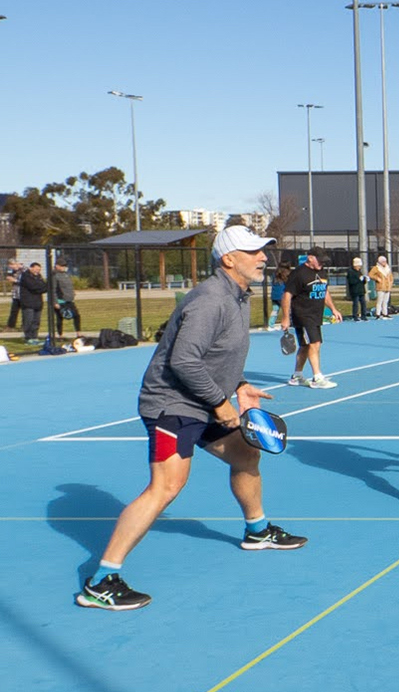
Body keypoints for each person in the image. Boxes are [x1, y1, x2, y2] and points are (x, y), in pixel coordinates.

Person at [77, 226, 305, 611]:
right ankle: (100, 581)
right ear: (229, 259)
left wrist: (242, 385)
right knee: (166, 486)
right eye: (254, 252)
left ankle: (257, 531)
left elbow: (218, 355)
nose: (264, 257)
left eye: (263, 250)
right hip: (172, 404)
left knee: (246, 455)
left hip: (203, 400)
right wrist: (221, 403)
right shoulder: (211, 300)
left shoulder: (239, 297)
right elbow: (184, 359)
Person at [280, 250, 343, 388]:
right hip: (303, 315)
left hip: (316, 315)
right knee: (315, 343)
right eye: (319, 260)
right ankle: (317, 378)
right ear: (310, 258)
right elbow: (287, 295)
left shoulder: (322, 272)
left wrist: (333, 309)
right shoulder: (298, 274)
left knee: (305, 346)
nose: (322, 263)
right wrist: (285, 318)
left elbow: (325, 291)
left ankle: (297, 376)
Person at [16, 262, 48, 342]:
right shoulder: (25, 276)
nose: (37, 271)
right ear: (31, 268)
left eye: (39, 270)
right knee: (28, 321)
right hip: (28, 303)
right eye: (36, 269)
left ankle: (34, 337)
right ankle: (28, 338)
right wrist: (40, 287)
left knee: (36, 321)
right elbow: (33, 286)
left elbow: (45, 287)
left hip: (38, 303)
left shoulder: (39, 277)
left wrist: (41, 287)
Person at [50, 262, 80, 337]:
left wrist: (72, 294)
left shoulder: (66, 275)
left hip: (69, 300)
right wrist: (55, 302)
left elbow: (70, 286)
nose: (64, 267)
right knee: (60, 318)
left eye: (65, 266)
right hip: (60, 301)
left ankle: (78, 333)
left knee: (76, 316)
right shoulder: (54, 276)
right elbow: (53, 290)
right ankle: (60, 335)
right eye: (62, 266)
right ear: (57, 266)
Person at [369, 254, 395, 319]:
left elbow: (391, 277)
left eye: (385, 261)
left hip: (387, 287)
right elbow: (370, 274)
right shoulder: (376, 268)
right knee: (380, 301)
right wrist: (377, 278)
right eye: (383, 261)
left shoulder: (387, 268)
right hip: (380, 287)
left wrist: (391, 282)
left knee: (386, 301)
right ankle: (378, 314)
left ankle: (385, 313)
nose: (384, 263)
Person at [346, 257, 370, 321]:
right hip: (355, 291)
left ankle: (363, 316)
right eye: (358, 266)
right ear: (355, 265)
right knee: (356, 304)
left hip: (361, 290)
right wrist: (359, 279)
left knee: (363, 303)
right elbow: (351, 281)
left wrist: (365, 280)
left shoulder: (359, 272)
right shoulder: (350, 272)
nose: (359, 267)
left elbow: (362, 282)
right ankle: (355, 316)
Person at [268, 264, 290, 329]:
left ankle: (270, 325)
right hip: (282, 296)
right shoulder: (286, 275)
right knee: (286, 310)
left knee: (275, 310)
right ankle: (286, 324)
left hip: (274, 296)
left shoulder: (274, 275)